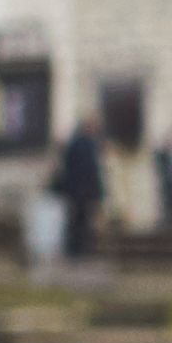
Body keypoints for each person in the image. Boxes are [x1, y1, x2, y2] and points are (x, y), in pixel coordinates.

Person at [56, 106, 112, 263]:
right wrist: (98, 193)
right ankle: (76, 252)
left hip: (76, 191)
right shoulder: (86, 145)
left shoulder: (76, 143)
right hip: (82, 192)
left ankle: (75, 251)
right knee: (79, 222)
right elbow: (91, 172)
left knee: (78, 222)